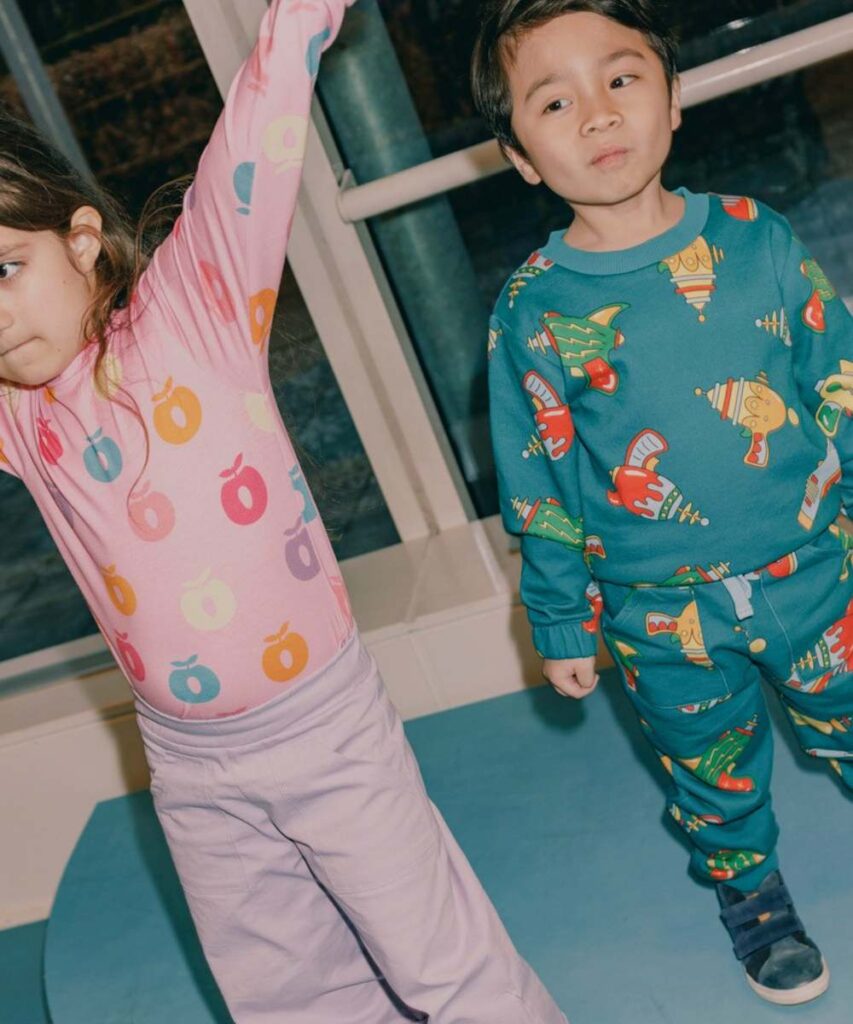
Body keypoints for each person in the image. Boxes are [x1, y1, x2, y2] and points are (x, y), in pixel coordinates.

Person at [0, 2, 569, 1021]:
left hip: (323, 728)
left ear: (81, 240)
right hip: (186, 761)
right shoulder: (16, 410)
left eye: (6, 268)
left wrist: (300, 18)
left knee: (439, 960)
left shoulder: (188, 316)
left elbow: (249, 146)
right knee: (284, 992)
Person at [472, 0, 852, 1006]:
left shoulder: (753, 236)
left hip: (819, 569)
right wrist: (560, 617)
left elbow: (837, 376)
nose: (597, 114)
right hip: (657, 614)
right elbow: (538, 480)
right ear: (517, 155)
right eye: (554, 101)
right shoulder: (532, 311)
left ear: (673, 100)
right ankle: (753, 899)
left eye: (621, 78)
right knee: (712, 774)